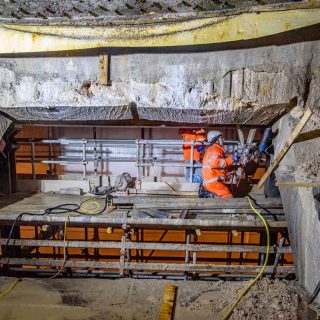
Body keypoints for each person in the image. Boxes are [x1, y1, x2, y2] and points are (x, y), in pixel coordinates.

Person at [200, 130, 240, 198]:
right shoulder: (215, 149)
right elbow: (216, 163)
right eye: (221, 137)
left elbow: (219, 166)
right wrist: (232, 159)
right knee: (227, 196)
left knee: (227, 191)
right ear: (217, 139)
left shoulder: (212, 149)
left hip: (210, 180)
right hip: (213, 181)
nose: (223, 139)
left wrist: (231, 169)